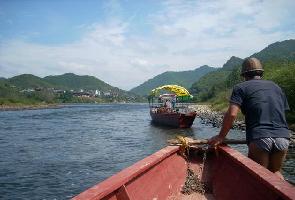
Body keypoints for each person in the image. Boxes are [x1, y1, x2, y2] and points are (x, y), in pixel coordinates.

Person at [208, 57, 290, 179]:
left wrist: (221, 136)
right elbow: (281, 112)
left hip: (260, 137)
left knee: (258, 178)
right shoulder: (276, 87)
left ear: (244, 75)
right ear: (261, 73)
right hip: (283, 137)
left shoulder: (240, 88)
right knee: (276, 173)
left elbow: (232, 114)